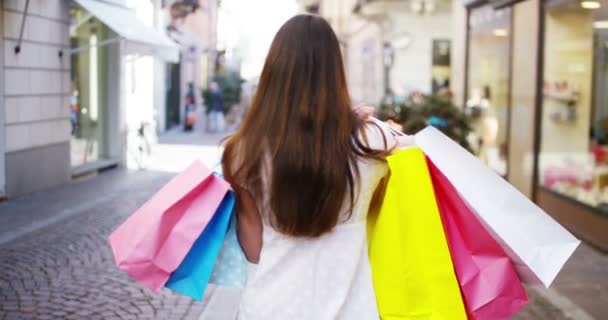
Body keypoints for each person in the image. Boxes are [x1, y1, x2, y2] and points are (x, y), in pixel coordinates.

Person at [220, 15, 409, 320]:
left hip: (269, 308)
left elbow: (253, 248)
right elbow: (416, 156)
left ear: (273, 73)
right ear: (335, 72)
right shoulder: (374, 141)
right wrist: (373, 124)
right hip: (353, 310)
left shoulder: (241, 150)